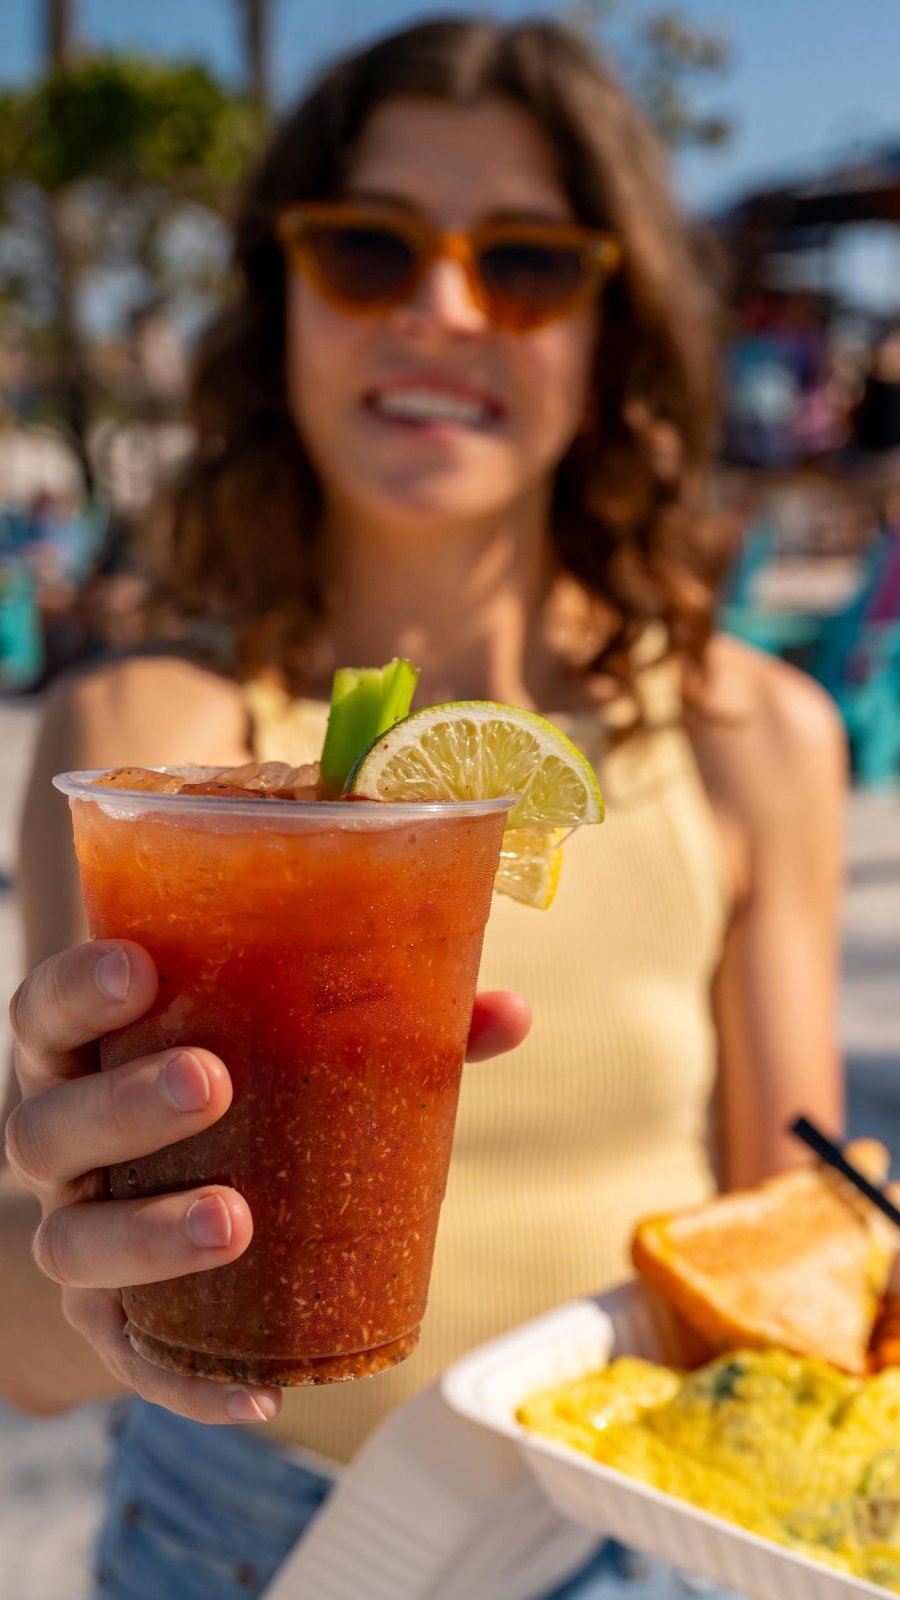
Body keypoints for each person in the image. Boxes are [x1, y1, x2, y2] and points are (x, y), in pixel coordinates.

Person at [1, 17, 846, 1600]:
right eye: (370, 249)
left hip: (632, 1536)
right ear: (281, 304)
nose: (445, 310)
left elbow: (774, 1233)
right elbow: (35, 1360)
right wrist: (69, 1245)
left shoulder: (751, 737)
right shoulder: (148, 738)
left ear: (609, 330)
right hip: (234, 1540)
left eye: (526, 264)